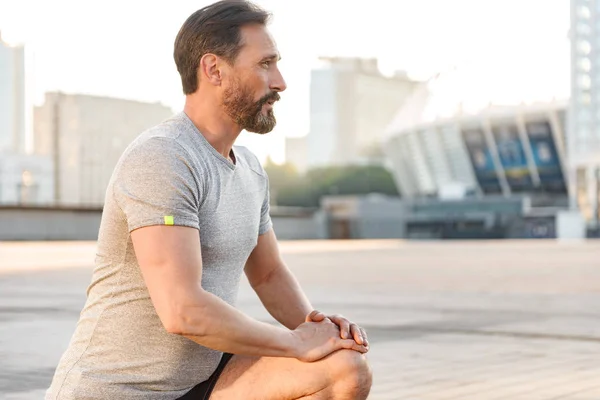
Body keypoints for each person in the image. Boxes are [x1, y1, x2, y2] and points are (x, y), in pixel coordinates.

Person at [46, 1, 372, 399]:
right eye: (265, 64)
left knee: (344, 368)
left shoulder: (249, 168)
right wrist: (294, 344)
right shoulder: (164, 157)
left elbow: (268, 274)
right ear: (214, 69)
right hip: (119, 389)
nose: (280, 82)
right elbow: (182, 310)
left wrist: (316, 328)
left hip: (204, 382)